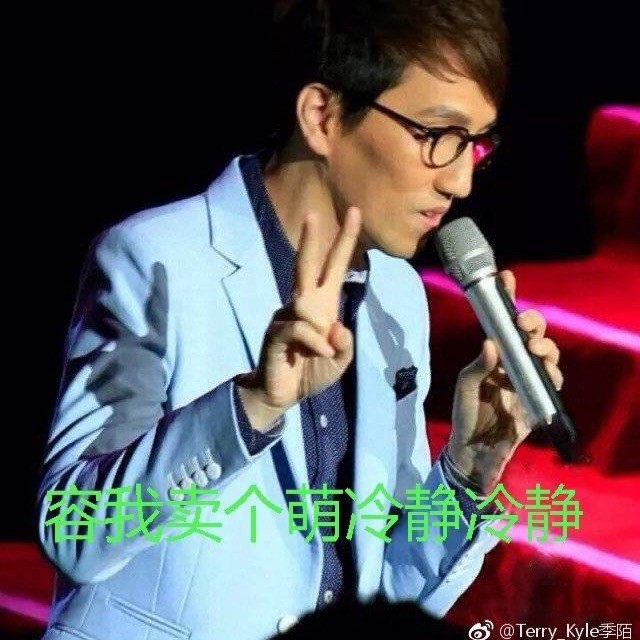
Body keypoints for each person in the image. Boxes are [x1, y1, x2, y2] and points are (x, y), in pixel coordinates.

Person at [37, 1, 564, 639]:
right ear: (322, 115)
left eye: (474, 144)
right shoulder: (158, 261)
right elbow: (72, 531)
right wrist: (254, 405)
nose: (460, 182)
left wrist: (467, 472)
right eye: (436, 136)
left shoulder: (398, 296)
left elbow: (384, 589)